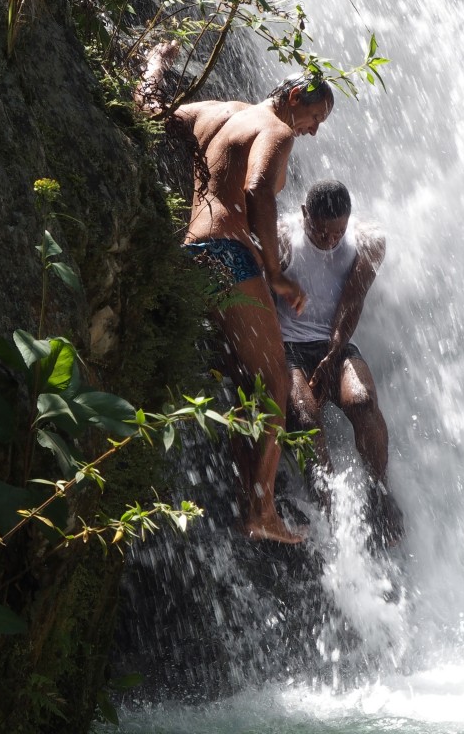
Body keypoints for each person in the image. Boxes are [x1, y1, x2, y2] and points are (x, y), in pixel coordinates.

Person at [135, 41, 334, 544]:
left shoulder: (216, 113)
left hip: (191, 252)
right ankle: (260, 511)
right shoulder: (276, 129)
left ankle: (248, 482)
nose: (312, 129)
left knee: (240, 374)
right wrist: (275, 271)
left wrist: (156, 62)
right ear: (292, 97)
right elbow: (258, 192)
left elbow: (150, 112)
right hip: (229, 254)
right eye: (314, 115)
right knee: (273, 378)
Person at [277, 180, 404, 548]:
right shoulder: (283, 239)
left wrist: (333, 355)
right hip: (288, 347)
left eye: (338, 231)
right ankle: (327, 513)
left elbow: (353, 301)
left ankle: (380, 493)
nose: (330, 240)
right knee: (304, 416)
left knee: (362, 401)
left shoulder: (368, 240)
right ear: (304, 215)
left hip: (335, 341)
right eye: (320, 231)